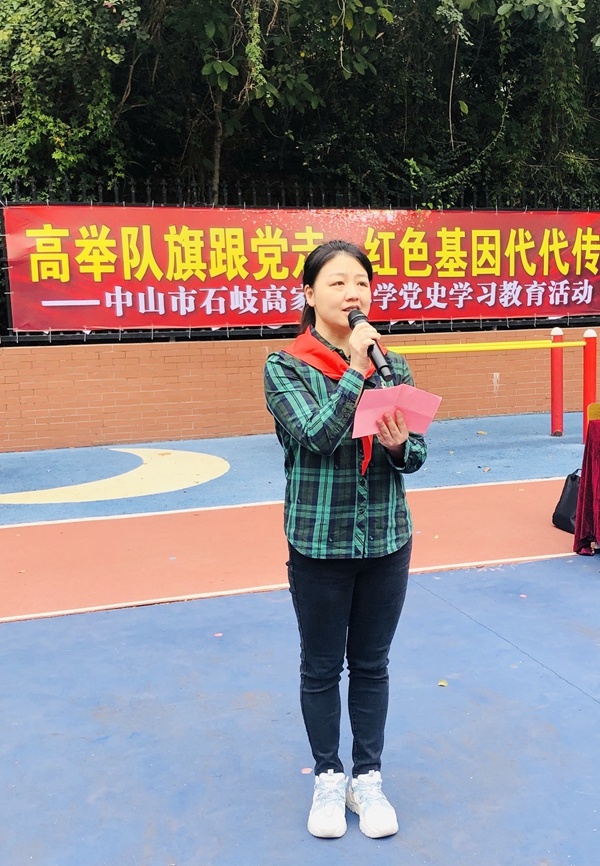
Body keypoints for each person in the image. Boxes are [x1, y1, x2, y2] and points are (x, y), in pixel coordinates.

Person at [263, 239, 427, 839]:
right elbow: (316, 435)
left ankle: (368, 777)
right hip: (320, 544)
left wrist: (399, 447)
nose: (352, 293)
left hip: (386, 539)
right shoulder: (286, 367)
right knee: (321, 666)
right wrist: (356, 371)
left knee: (372, 664)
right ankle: (329, 777)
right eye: (336, 283)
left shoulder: (393, 364)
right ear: (309, 294)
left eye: (360, 282)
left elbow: (417, 454)